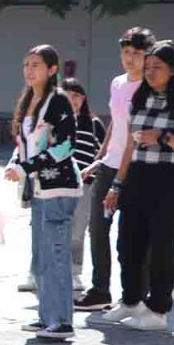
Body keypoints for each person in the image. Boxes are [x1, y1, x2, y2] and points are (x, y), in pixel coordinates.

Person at [101, 41, 174, 331]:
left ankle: (159, 309)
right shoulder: (139, 101)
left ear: (173, 70)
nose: (150, 72)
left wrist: (164, 136)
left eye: (157, 67)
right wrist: (117, 185)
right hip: (137, 176)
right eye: (147, 67)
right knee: (128, 243)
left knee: (161, 245)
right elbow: (127, 149)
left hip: (170, 179)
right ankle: (131, 300)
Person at [3, 45, 83, 341]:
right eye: (26, 64)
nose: (29, 70)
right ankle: (46, 315)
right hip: (38, 190)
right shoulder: (30, 101)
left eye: (36, 64)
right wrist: (16, 162)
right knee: (41, 256)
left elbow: (65, 147)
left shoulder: (58, 100)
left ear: (52, 69)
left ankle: (61, 320)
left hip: (58, 187)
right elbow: (24, 143)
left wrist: (25, 167)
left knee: (56, 255)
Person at [75, 27, 154, 312]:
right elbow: (114, 124)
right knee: (97, 228)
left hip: (135, 169)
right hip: (109, 165)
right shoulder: (118, 83)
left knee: (131, 235)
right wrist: (99, 158)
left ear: (147, 56)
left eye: (137, 53)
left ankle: (135, 295)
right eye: (126, 52)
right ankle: (100, 289)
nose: (130, 59)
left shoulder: (149, 89)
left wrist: (120, 177)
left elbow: (137, 134)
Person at [59, 77, 106, 301]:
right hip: (59, 184)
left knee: (78, 231)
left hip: (86, 184)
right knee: (56, 228)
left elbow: (102, 152)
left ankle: (75, 271)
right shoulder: (55, 120)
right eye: (68, 95)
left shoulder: (93, 123)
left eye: (77, 96)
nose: (73, 100)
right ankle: (47, 270)